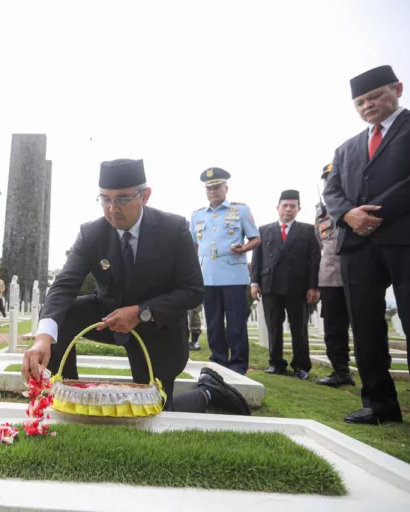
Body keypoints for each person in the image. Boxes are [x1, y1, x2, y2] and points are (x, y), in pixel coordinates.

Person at [21, 158, 250, 415]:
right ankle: (68, 393)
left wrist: (141, 311)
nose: (112, 208)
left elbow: (193, 291)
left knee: (155, 409)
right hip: (108, 317)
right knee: (65, 315)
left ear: (145, 195)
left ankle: (208, 392)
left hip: (158, 327)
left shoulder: (173, 229)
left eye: (122, 199)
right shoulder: (91, 233)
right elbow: (64, 285)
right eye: (105, 199)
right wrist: (43, 339)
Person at [323, 65, 410, 442]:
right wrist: (347, 215)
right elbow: (332, 192)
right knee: (365, 325)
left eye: (376, 96)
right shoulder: (346, 148)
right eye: (361, 101)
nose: (369, 105)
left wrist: (372, 213)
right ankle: (379, 404)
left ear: (397, 88)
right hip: (359, 245)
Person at [189, 168, 260, 373]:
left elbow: (256, 238)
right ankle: (218, 361)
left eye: (217, 187)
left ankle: (238, 365)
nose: (213, 191)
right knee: (213, 323)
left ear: (226, 188)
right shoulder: (197, 215)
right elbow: (194, 245)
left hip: (234, 276)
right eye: (209, 188)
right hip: (208, 276)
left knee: (236, 323)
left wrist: (244, 248)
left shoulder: (241, 211)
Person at [250, 190, 321, 380]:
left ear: (299, 208)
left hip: (297, 286)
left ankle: (301, 366)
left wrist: (314, 286)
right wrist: (254, 283)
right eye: (285, 205)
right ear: (277, 207)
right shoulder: (264, 230)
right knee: (273, 326)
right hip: (270, 285)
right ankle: (276, 363)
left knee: (299, 327)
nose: (288, 209)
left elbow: (315, 260)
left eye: (293, 206)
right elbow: (257, 259)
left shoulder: (308, 230)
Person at [315, 164, 354, 387]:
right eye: (326, 179)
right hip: (330, 278)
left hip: (358, 274)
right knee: (333, 328)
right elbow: (320, 244)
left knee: (365, 326)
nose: (330, 182)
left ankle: (376, 372)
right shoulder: (320, 214)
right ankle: (340, 372)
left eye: (334, 177)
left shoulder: (356, 203)